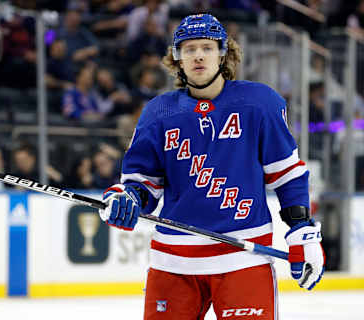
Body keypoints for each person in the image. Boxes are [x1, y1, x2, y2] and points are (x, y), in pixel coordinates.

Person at [98, 14, 325, 320]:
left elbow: (287, 175)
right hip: (173, 262)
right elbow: (143, 185)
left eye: (206, 47)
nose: (198, 55)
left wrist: (300, 229)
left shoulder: (259, 103)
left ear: (222, 52)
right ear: (177, 58)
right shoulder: (158, 111)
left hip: (242, 259)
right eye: (189, 49)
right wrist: (125, 199)